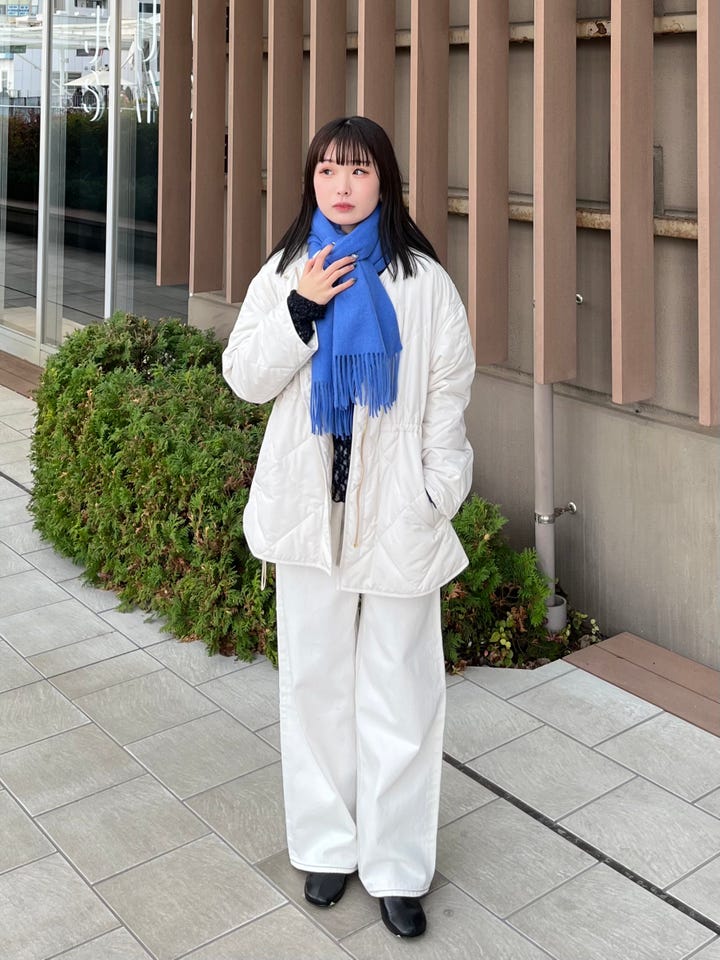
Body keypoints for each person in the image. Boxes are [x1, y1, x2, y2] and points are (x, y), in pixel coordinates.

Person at [222, 116, 475, 938]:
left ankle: (397, 865)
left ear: (385, 183)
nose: (341, 184)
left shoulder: (425, 284)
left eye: (359, 170)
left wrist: (436, 493)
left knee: (401, 691)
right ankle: (328, 846)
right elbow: (245, 377)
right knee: (315, 685)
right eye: (328, 169)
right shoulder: (287, 271)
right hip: (309, 513)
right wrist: (302, 307)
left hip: (397, 513)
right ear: (311, 180)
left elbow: (448, 398)